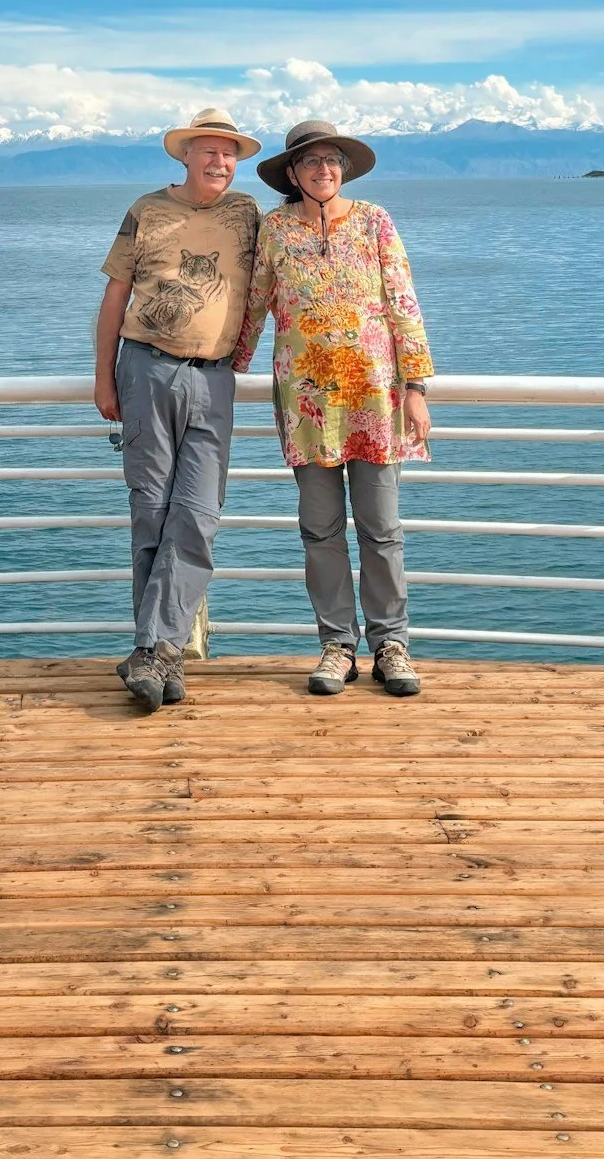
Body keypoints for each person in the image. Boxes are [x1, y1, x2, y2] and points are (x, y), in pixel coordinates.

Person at [233, 118, 434, 698]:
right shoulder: (274, 229)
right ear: (291, 174)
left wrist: (416, 387)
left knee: (381, 527)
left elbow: (402, 302)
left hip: (375, 396)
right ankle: (336, 646)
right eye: (312, 162)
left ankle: (390, 645)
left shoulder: (374, 221)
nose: (324, 170)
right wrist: (226, 369)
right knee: (319, 530)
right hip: (305, 401)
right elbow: (254, 304)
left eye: (333, 161)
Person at [95, 107, 262, 711]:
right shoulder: (146, 210)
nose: (220, 163)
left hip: (215, 378)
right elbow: (115, 295)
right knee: (152, 512)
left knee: (197, 514)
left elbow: (275, 280)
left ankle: (151, 651)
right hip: (146, 368)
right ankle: (162, 654)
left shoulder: (247, 215)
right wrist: (104, 378)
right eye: (209, 151)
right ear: (185, 156)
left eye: (230, 154)